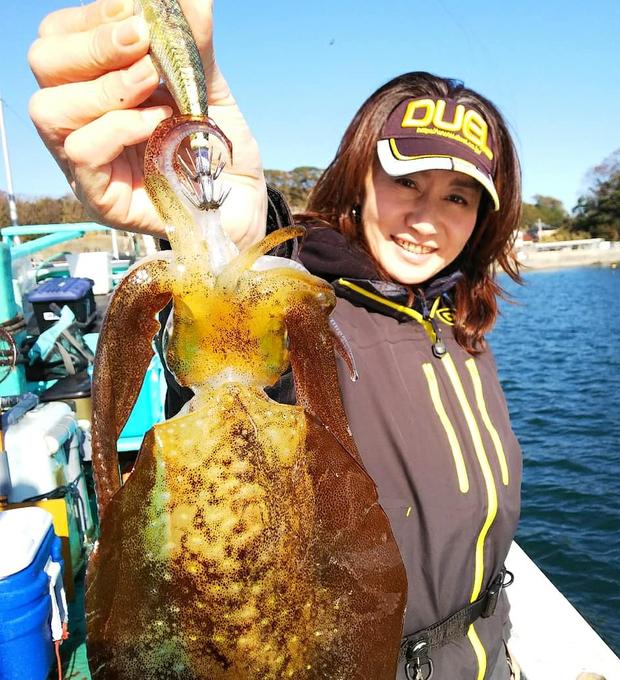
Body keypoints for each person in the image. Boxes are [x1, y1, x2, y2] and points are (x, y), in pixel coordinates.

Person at [29, 2, 523, 678]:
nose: (426, 219)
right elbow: (250, 327)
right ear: (359, 178)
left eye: (457, 197)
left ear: (484, 217)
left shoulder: (461, 325)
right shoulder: (312, 311)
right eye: (406, 181)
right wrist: (226, 223)